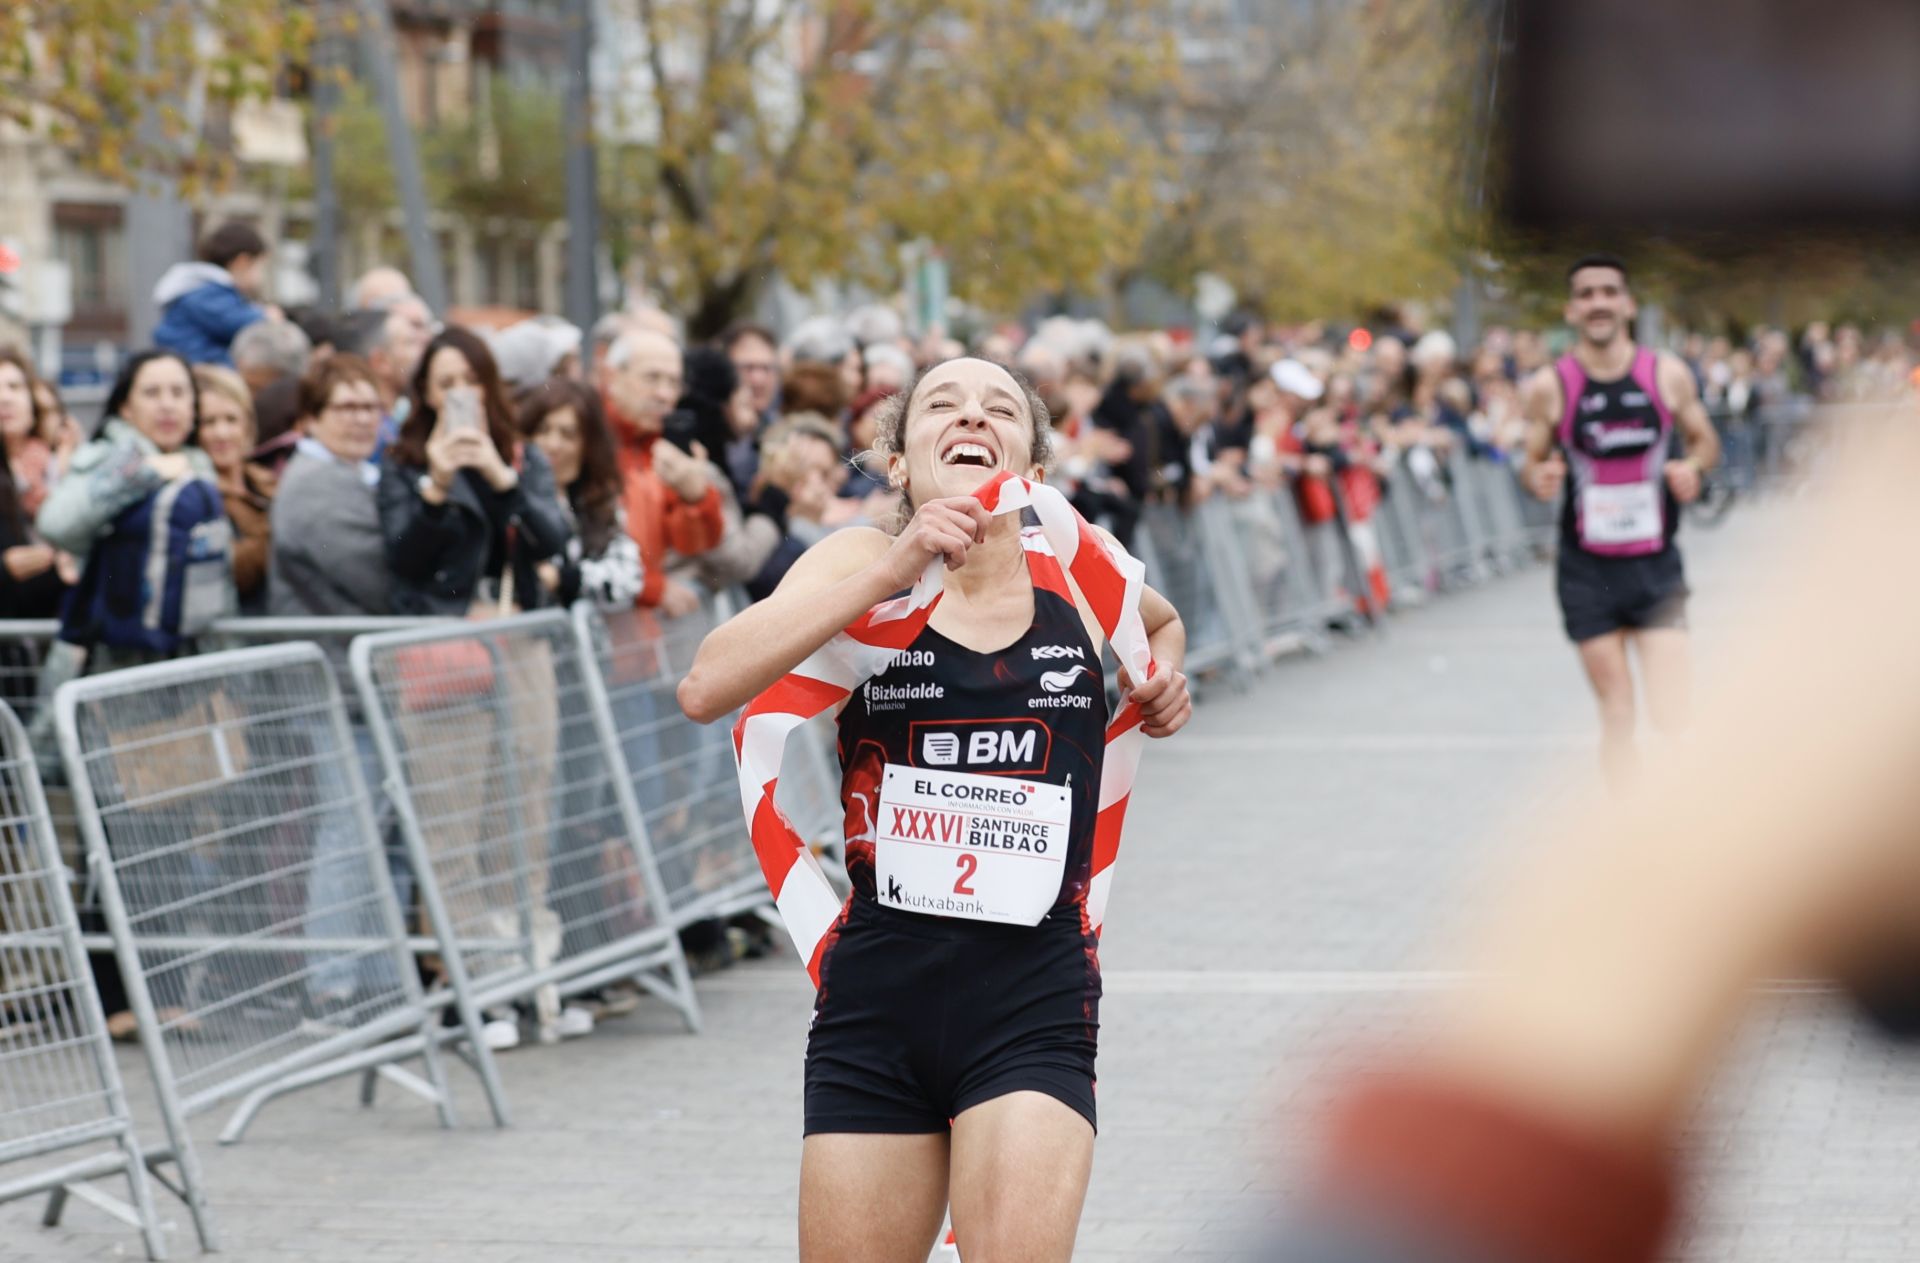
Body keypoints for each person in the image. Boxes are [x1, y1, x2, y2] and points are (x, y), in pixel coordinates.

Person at [677, 357, 1192, 1263]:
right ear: (901, 462)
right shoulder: (859, 561)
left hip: (1032, 986)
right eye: (944, 405)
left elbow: (1158, 622)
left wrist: (1160, 686)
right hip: (880, 993)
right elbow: (706, 684)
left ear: (1030, 464)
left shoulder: (1073, 562)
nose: (973, 416)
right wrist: (894, 569)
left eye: (1000, 409)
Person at [1521, 254, 1720, 790]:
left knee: (1673, 713)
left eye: (1609, 292)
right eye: (1586, 294)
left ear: (1628, 304)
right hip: (1588, 570)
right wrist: (1538, 477)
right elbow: (1532, 460)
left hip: (1655, 565)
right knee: (1618, 712)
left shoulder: (1665, 373)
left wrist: (1693, 468)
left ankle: (1686, 817)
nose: (1598, 303)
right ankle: (1628, 825)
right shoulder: (1551, 385)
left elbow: (1705, 440)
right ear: (1571, 310)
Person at [38, 349, 233, 669]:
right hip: (110, 660)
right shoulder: (107, 458)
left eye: (178, 392)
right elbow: (55, 523)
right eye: (152, 392)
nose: (167, 404)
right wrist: (142, 473)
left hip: (189, 658)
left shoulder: (200, 468)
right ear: (126, 407)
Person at [601, 328, 726, 617]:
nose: (664, 394)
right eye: (651, 378)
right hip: (593, 629)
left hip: (632, 633)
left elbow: (692, 543)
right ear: (612, 377)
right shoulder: (586, 438)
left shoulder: (659, 449)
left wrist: (696, 496)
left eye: (673, 383)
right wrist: (648, 588)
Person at [269, 356, 390, 620]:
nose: (362, 419)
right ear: (311, 418)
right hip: (333, 653)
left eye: (371, 408)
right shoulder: (315, 483)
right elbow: (379, 583)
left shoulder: (356, 471)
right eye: (347, 408)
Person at [517, 377, 645, 609]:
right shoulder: (513, 497)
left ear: (588, 445)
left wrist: (565, 579)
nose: (553, 444)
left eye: (568, 434)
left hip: (584, 641)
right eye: (543, 430)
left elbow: (630, 576)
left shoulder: (595, 502)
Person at [192, 365, 276, 613]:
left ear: (247, 424)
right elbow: (234, 570)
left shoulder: (268, 481)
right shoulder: (199, 494)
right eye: (209, 422)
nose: (222, 433)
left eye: (231, 419)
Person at [151, 221, 273, 367]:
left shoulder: (204, 288)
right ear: (242, 262)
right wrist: (265, 316)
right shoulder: (207, 291)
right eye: (259, 267)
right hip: (197, 365)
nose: (261, 276)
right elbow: (233, 321)